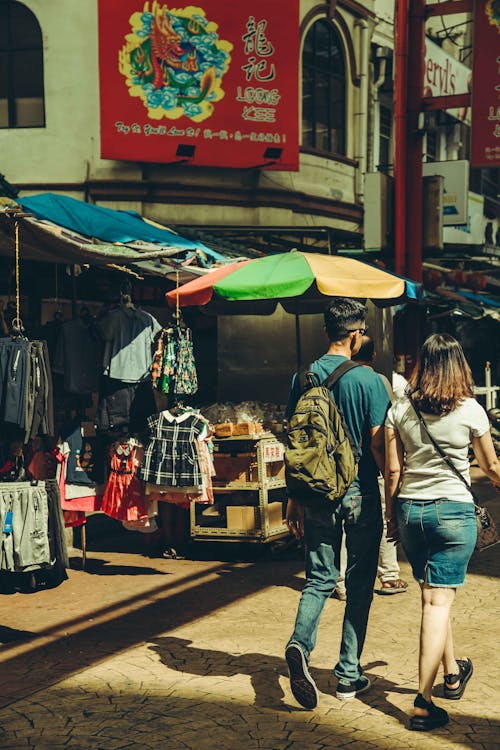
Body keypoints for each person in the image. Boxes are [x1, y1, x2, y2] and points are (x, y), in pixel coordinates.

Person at [385, 333, 500, 731]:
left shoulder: (399, 409)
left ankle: (453, 673)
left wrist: (390, 517)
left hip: (411, 513)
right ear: (459, 366)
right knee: (436, 602)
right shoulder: (471, 410)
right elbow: (491, 467)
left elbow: (393, 471)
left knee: (434, 594)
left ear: (422, 366)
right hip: (453, 513)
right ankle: (422, 703)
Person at [284, 298, 391, 707]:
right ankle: (348, 675)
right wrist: (392, 492)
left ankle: (299, 644)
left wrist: (294, 497)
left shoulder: (303, 377)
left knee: (319, 578)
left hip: (314, 492)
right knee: (360, 582)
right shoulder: (368, 380)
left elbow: (296, 441)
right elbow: (380, 445)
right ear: (354, 335)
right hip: (359, 491)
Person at [333, 337, 408, 598]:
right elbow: (383, 432)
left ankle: (340, 581)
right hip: (375, 464)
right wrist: (388, 469)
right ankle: (388, 576)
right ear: (374, 356)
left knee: (343, 527)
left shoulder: (340, 380)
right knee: (386, 518)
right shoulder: (380, 381)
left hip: (340, 466)